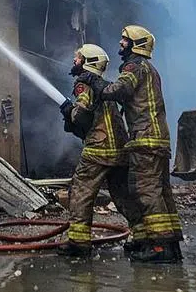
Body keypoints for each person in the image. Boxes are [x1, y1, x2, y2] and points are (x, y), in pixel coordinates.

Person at [78, 25, 183, 263]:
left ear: (136, 45)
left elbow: (118, 90)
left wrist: (94, 81)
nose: (120, 45)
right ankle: (171, 244)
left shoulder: (134, 66)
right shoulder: (151, 69)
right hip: (158, 140)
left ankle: (159, 249)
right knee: (162, 192)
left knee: (145, 191)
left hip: (144, 140)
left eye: (124, 41)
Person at [58, 44, 142, 258]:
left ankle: (78, 242)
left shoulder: (83, 84)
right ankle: (143, 236)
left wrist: (70, 112)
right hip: (120, 149)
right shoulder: (104, 86)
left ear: (87, 62)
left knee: (80, 192)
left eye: (77, 58)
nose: (74, 61)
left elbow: (82, 115)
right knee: (124, 195)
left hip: (98, 148)